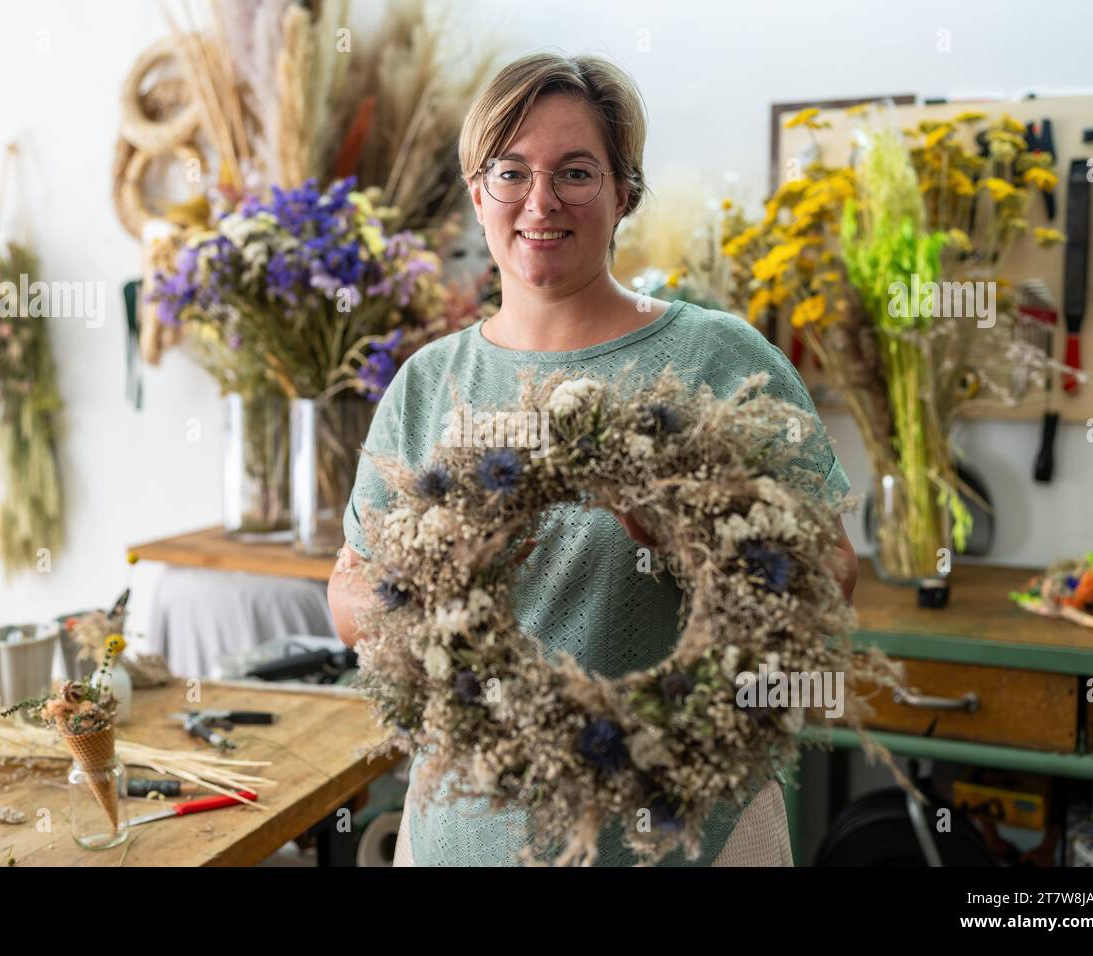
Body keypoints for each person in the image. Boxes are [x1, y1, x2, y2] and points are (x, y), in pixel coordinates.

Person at [328, 51, 858, 867]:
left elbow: (830, 571)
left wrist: (688, 537)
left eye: (576, 172)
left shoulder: (720, 359)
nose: (540, 202)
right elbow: (350, 590)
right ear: (478, 193)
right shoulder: (429, 385)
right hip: (473, 832)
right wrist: (439, 579)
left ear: (623, 194)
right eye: (510, 172)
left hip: (686, 833)